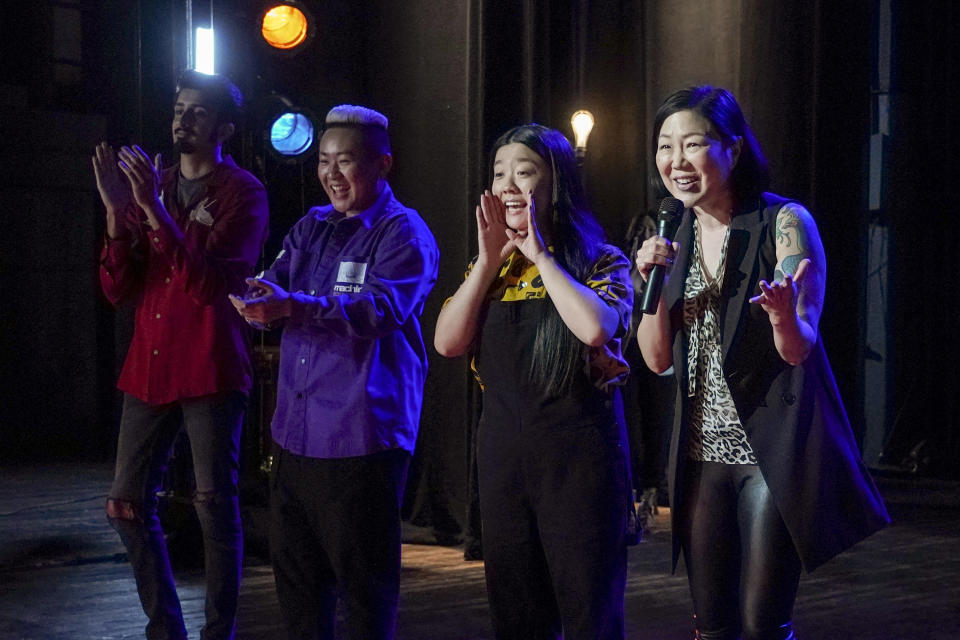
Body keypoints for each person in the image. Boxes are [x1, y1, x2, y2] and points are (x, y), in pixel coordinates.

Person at [634, 86, 890, 640]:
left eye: (693, 144)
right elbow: (655, 361)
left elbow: (799, 347)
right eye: (664, 146)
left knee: (760, 623)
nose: (675, 161)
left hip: (770, 453)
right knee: (710, 623)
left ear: (734, 148)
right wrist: (646, 286)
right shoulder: (669, 238)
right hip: (702, 456)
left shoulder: (784, 223)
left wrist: (780, 317)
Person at [229, 104, 439, 640]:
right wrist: (256, 297)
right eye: (323, 161)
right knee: (299, 594)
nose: (331, 174)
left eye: (346, 161)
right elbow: (275, 280)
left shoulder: (403, 232)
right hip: (295, 437)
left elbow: (378, 310)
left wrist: (292, 306)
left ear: (383, 164)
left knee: (364, 596)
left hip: (360, 439)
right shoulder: (311, 225)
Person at [435, 123, 637, 640]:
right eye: (499, 173)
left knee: (590, 611)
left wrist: (541, 256)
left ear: (556, 184)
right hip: (504, 462)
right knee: (517, 614)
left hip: (580, 463)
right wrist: (486, 261)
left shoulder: (599, 259)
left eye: (523, 173)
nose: (507, 185)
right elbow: (447, 342)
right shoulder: (490, 270)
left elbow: (595, 327)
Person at [93, 69, 269, 639]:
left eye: (196, 112)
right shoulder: (158, 183)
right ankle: (163, 627)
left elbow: (210, 287)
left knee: (213, 504)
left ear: (224, 127)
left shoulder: (243, 192)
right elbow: (119, 291)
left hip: (210, 365)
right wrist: (120, 217)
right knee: (125, 505)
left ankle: (219, 630)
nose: (181, 120)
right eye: (178, 109)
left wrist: (154, 211)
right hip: (149, 364)